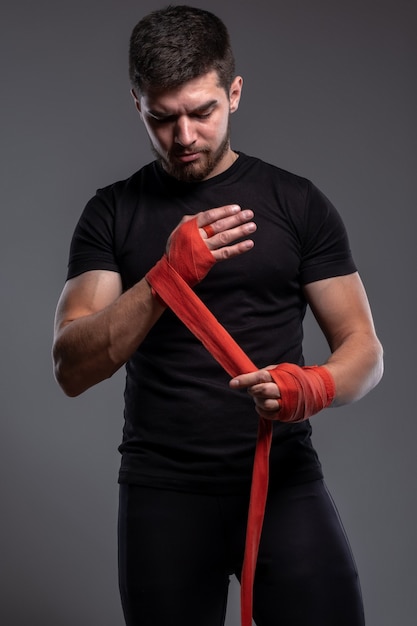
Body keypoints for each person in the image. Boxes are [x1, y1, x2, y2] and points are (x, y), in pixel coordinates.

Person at [52, 5, 383, 626]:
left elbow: (364, 347)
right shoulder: (113, 213)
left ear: (233, 92)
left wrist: (315, 385)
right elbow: (71, 366)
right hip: (163, 493)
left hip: (284, 479)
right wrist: (164, 278)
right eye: (162, 117)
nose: (184, 138)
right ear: (138, 105)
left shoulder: (297, 202)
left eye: (202, 112)